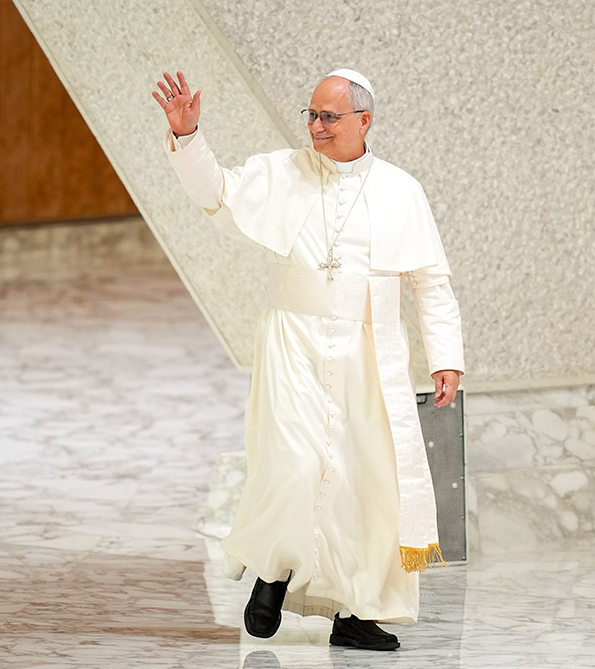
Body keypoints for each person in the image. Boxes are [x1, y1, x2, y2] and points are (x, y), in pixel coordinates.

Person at [152, 68, 464, 652]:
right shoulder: (283, 171)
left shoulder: (402, 190)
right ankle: (272, 574)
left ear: (364, 121)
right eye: (312, 115)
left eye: (329, 117)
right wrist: (189, 137)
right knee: (292, 463)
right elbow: (216, 192)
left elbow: (431, 281)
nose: (316, 127)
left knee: (365, 485)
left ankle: (355, 611)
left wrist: (447, 357)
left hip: (369, 352)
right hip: (292, 343)